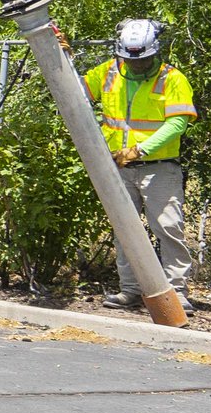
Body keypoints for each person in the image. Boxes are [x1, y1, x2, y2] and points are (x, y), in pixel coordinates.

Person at [84, 18, 197, 311]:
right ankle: (132, 290)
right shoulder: (108, 72)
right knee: (125, 229)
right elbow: (74, 91)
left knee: (168, 227)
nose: (136, 65)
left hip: (159, 167)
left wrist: (140, 150)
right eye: (129, 59)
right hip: (118, 168)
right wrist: (63, 58)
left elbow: (177, 124)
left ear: (154, 52)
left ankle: (176, 292)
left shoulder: (172, 79)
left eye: (143, 60)